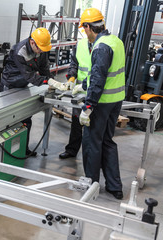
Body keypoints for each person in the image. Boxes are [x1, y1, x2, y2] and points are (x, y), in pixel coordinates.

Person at [79, 8, 126, 199]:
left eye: (84, 29)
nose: (85, 34)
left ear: (89, 27)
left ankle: (91, 186)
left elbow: (98, 79)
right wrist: (82, 84)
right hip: (116, 100)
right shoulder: (116, 41)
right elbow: (106, 72)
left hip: (101, 102)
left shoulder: (100, 47)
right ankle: (115, 187)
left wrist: (88, 107)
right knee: (107, 141)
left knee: (91, 143)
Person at [0, 27, 54, 156]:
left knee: (26, 118)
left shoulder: (42, 48)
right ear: (32, 42)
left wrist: (52, 81)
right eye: (40, 48)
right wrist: (47, 82)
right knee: (9, 120)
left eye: (43, 49)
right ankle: (7, 153)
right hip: (10, 84)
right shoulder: (20, 51)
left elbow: (44, 68)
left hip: (23, 85)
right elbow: (29, 76)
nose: (41, 51)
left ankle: (23, 150)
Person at [58, 38, 92, 159]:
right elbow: (74, 64)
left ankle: (92, 156)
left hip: (96, 91)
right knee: (77, 121)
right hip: (80, 91)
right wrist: (71, 77)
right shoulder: (81, 44)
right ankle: (72, 150)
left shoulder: (102, 45)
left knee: (92, 124)